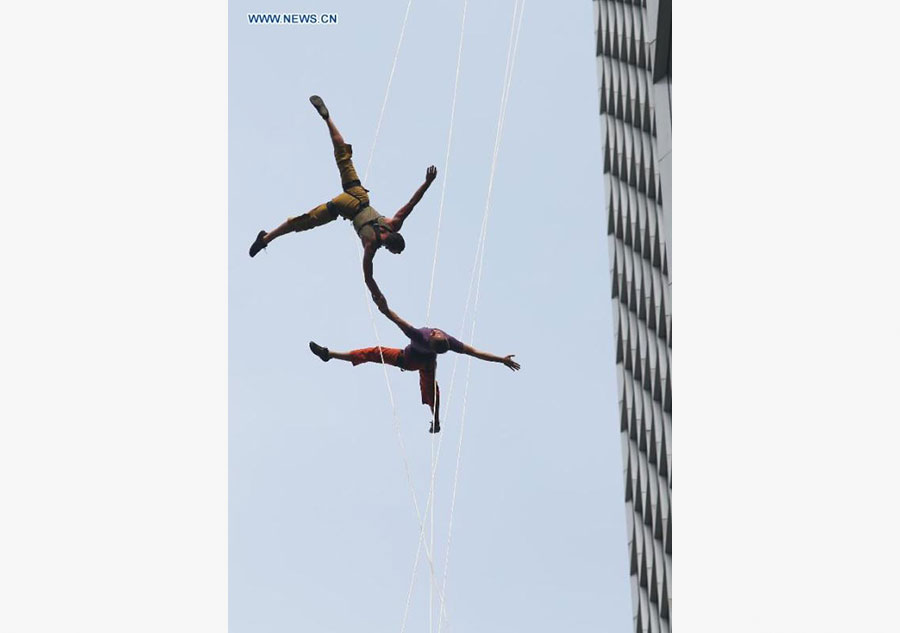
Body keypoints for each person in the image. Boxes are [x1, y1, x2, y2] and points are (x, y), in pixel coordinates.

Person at [249, 95, 437, 263]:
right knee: (303, 222)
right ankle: (266, 239)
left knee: (342, 155)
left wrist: (427, 182)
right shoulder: (371, 246)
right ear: (391, 246)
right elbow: (369, 278)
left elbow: (412, 203)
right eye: (393, 251)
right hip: (340, 207)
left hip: (358, 194)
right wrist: (381, 302)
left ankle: (327, 118)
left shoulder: (393, 224)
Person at [308, 294, 520, 433]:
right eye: (438, 332)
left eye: (437, 333)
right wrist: (501, 359)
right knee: (375, 354)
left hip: (410, 361)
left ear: (432, 339)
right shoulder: (447, 341)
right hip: (419, 361)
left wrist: (382, 306)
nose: (437, 330)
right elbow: (474, 352)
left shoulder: (420, 336)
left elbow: (396, 318)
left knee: (380, 357)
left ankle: (436, 421)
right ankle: (329, 354)